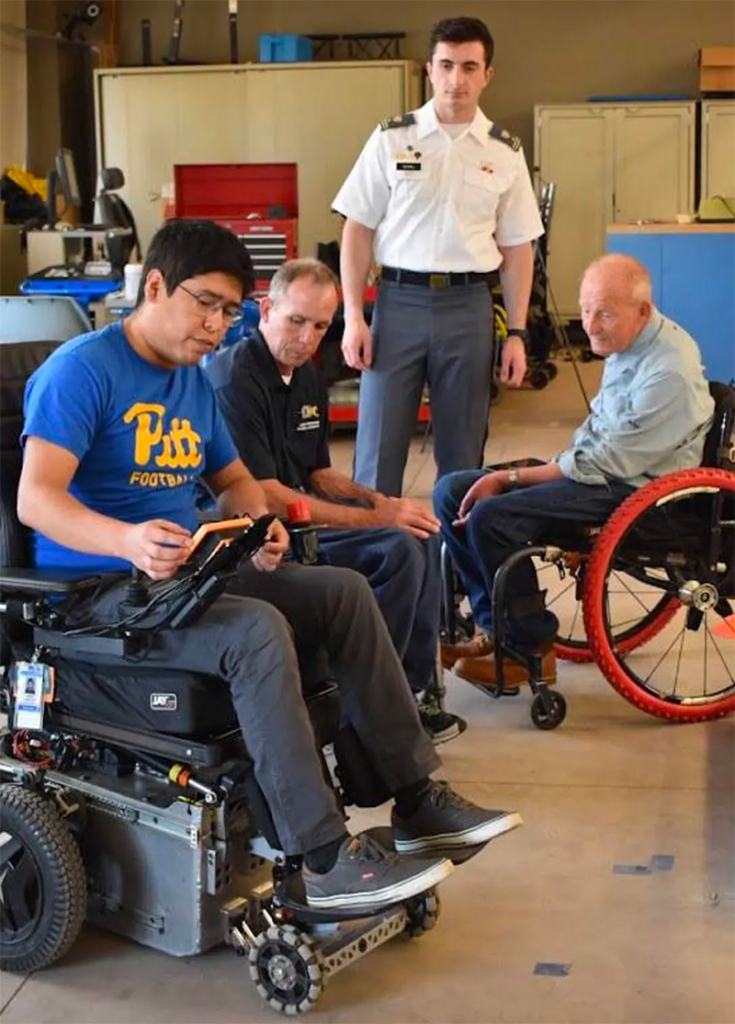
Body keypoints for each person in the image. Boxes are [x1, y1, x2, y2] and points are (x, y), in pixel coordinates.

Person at [18, 218, 522, 912]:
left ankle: (414, 803)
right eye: (206, 303)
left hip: (184, 577)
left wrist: (259, 528)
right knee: (254, 628)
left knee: (342, 591)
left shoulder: (191, 385)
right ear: (156, 285)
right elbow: (36, 500)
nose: (218, 325)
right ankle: (320, 857)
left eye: (229, 310)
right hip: (99, 593)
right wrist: (127, 541)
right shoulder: (82, 369)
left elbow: (234, 481)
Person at [206, 257, 465, 746]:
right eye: (296, 321)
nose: (307, 337)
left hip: (301, 519)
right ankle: (364, 714)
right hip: (260, 536)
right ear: (265, 310)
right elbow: (263, 493)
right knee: (396, 549)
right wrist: (374, 519)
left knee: (420, 533)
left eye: (321, 326)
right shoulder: (234, 380)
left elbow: (317, 474)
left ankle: (410, 696)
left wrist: (380, 500)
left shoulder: (304, 374)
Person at [434, 254, 715, 687]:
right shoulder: (629, 344)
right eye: (584, 310)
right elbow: (597, 432)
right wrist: (543, 468)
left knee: (493, 515)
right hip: (602, 471)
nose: (589, 324)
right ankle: (496, 629)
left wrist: (514, 478)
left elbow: (608, 462)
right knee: (452, 490)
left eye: (603, 312)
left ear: (642, 311)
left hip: (636, 493)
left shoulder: (668, 369)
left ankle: (529, 647)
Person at [332, 15, 543, 498]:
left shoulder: (504, 153)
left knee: (462, 452)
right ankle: (377, 561)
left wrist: (516, 332)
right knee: (377, 448)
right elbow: (357, 228)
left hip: (468, 308)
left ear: (487, 74)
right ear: (430, 69)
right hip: (397, 302)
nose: (457, 80)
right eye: (446, 65)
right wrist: (352, 315)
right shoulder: (391, 139)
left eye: (470, 67)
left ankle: (455, 565)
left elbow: (516, 249)